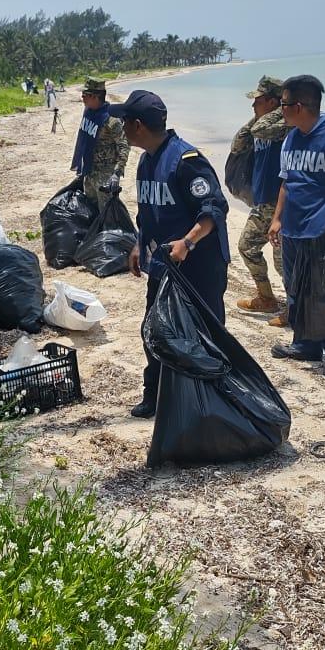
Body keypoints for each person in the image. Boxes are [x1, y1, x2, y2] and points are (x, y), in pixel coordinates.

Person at [111, 90, 230, 418]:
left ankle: (212, 398)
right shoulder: (147, 160)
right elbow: (148, 213)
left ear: (137, 125)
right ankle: (157, 393)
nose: (121, 127)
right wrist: (138, 244)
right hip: (164, 267)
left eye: (124, 122)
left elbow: (214, 208)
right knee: (156, 327)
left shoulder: (185, 161)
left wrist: (187, 243)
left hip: (199, 266)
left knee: (205, 334)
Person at [268, 74, 325, 379]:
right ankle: (305, 344)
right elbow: (287, 182)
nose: (279, 110)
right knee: (296, 288)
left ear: (299, 105)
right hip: (293, 227)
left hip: (323, 229)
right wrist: (277, 219)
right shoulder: (292, 136)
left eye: (282, 104)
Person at [230, 76, 290, 322]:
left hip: (284, 204)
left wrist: (273, 112)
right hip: (263, 202)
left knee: (283, 262)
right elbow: (237, 145)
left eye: (258, 100)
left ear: (274, 101)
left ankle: (295, 309)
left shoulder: (286, 124)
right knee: (247, 247)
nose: (253, 105)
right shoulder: (260, 123)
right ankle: (266, 297)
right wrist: (258, 115)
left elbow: (260, 129)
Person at [70, 78, 131, 211]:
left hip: (105, 175)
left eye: (85, 96)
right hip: (89, 171)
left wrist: (117, 173)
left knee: (107, 213)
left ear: (96, 97)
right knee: (91, 211)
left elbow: (124, 145)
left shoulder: (111, 119)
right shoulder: (89, 112)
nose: (83, 99)